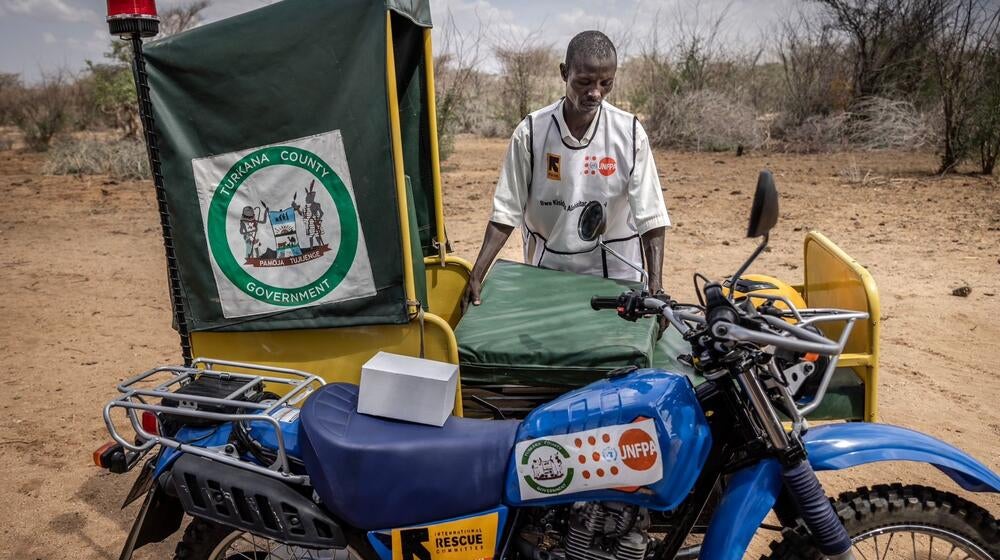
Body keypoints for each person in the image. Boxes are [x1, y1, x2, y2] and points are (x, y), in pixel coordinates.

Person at [465, 30, 669, 307]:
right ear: (564, 73)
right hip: (549, 271)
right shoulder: (532, 133)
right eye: (584, 82)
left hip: (616, 274)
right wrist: (477, 273)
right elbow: (506, 210)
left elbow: (651, 217)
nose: (595, 93)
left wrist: (656, 286)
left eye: (605, 83)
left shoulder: (630, 133)